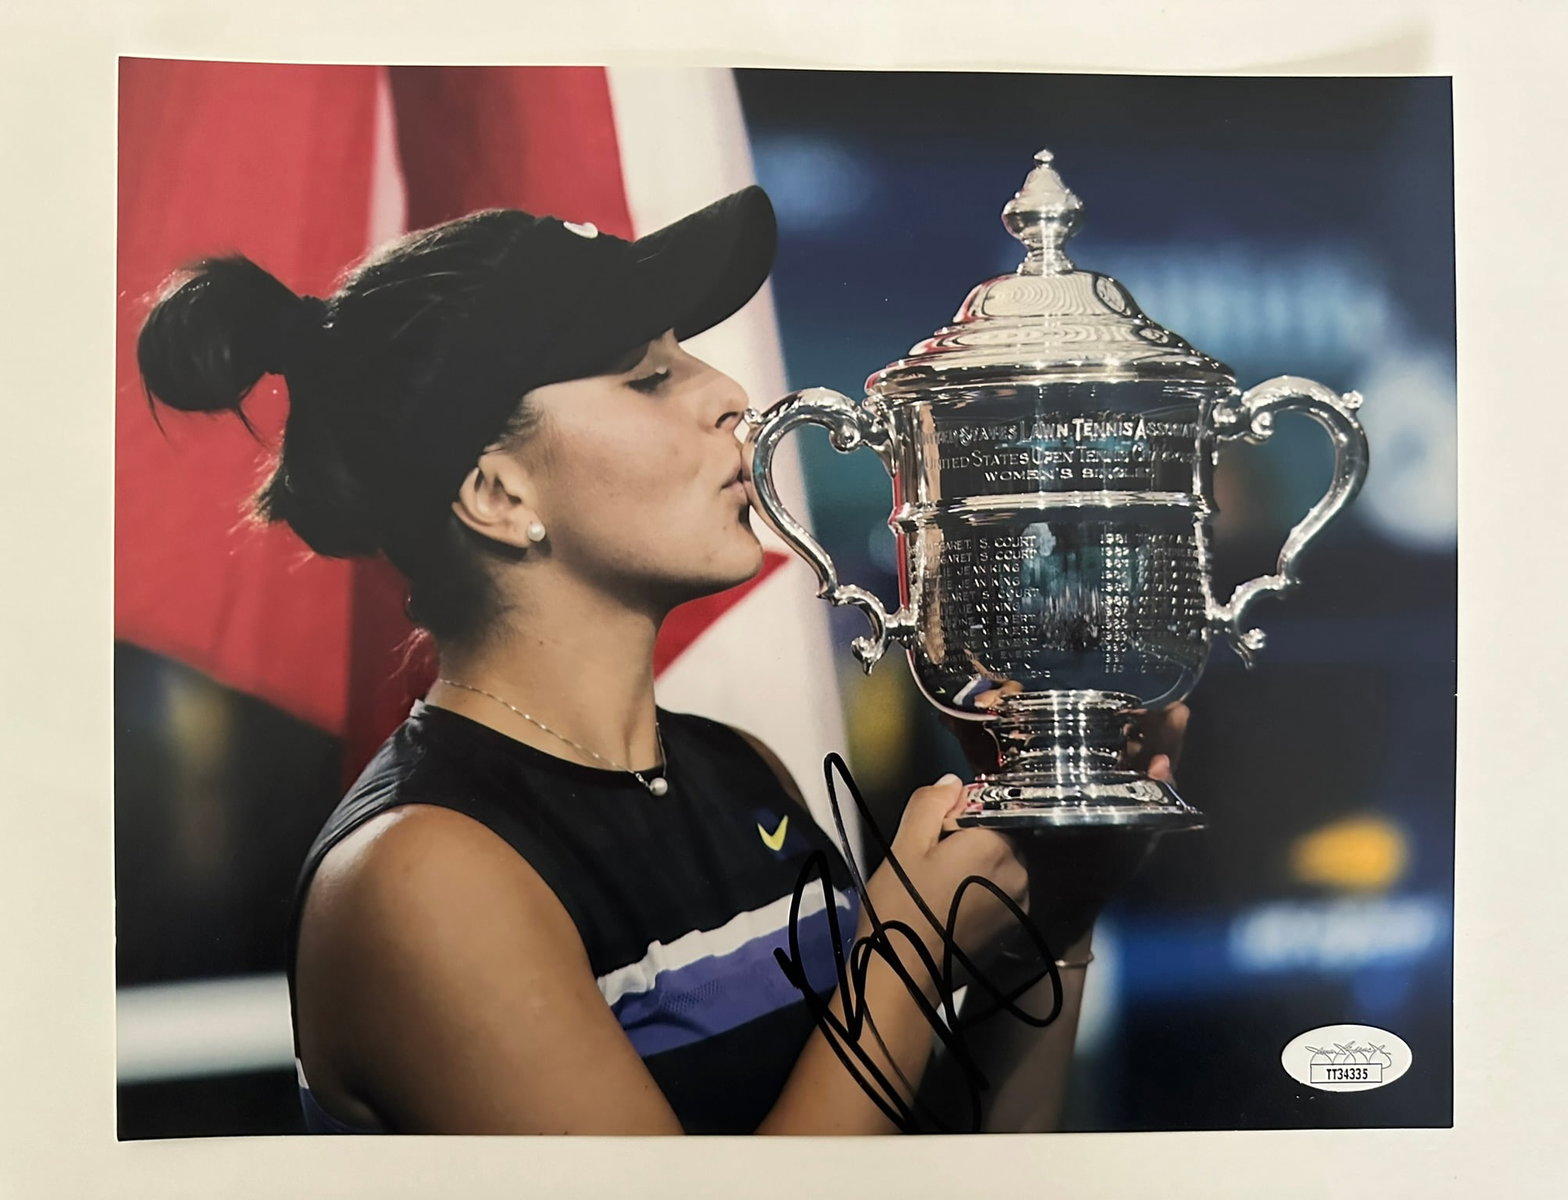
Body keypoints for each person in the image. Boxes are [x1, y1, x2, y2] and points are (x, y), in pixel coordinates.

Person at [135, 185, 1185, 1136]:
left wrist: (1054, 919)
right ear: (497, 496)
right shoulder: (420, 877)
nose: (730, 392)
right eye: (648, 377)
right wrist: (903, 953)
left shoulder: (736, 772)